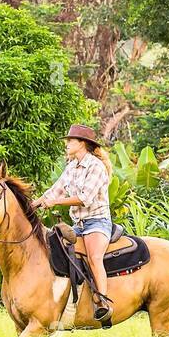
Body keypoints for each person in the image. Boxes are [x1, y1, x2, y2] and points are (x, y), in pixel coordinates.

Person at [31, 124, 115, 322]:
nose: (67, 144)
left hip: (97, 222)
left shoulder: (96, 166)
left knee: (94, 257)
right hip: (78, 224)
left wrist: (55, 202)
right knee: (54, 251)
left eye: (70, 141)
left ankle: (103, 302)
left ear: (83, 144)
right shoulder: (71, 167)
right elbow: (54, 191)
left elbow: (85, 198)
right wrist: (32, 206)